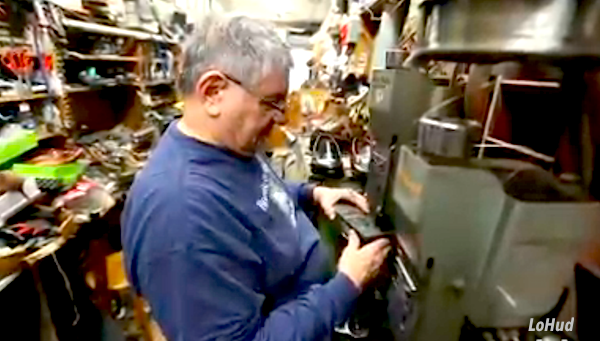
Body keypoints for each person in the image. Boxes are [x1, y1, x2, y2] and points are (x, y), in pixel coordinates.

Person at [121, 15, 390, 341]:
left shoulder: (225, 147)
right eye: (272, 103)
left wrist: (310, 194)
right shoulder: (183, 216)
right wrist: (346, 286)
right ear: (213, 92)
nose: (280, 118)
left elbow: (252, 197)